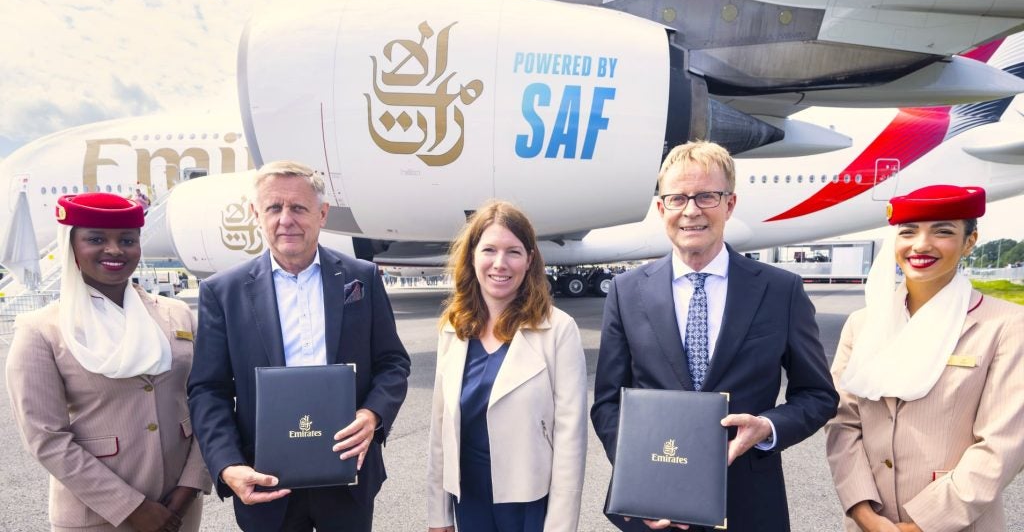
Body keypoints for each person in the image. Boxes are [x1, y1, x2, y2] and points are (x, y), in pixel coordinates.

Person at [590, 141, 839, 531]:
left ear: (730, 204)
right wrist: (639, 474)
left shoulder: (780, 291)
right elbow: (607, 402)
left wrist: (768, 427)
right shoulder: (626, 291)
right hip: (653, 504)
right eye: (677, 198)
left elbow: (818, 395)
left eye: (706, 196)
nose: (691, 210)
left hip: (749, 504)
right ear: (662, 209)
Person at [187, 160, 411, 532]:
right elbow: (208, 390)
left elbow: (392, 363)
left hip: (348, 476)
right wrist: (227, 465)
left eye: (298, 208)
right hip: (265, 481)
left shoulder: (363, 278)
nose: (285, 219)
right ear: (256, 213)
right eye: (274, 207)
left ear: (322, 214)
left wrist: (372, 415)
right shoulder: (223, 292)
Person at [6, 192, 210, 531]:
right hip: (95, 516)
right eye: (96, 239)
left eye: (127, 240)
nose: (115, 250)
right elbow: (46, 438)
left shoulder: (177, 314)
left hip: (178, 507)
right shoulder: (42, 329)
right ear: (72, 246)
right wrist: (132, 507)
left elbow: (207, 401)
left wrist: (190, 486)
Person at [825, 185, 1024, 532]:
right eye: (908, 232)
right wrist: (863, 513)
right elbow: (843, 422)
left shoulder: (1005, 325)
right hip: (870, 522)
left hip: (959, 524)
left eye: (942, 231)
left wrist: (921, 525)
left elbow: (1002, 445)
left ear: (970, 241)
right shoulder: (863, 324)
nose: (920, 245)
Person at [426, 200, 588, 532]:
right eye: (489, 250)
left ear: (529, 260)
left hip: (530, 502)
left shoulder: (558, 330)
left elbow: (570, 439)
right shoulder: (453, 328)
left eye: (513, 252)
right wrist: (438, 515)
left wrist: (560, 525)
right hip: (468, 500)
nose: (500, 264)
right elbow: (440, 429)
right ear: (472, 256)